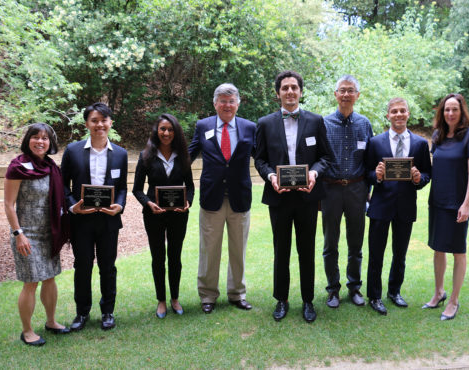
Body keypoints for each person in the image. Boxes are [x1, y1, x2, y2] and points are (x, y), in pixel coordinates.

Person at [255, 70, 332, 322]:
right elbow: (260, 159)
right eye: (285, 88)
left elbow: (325, 158)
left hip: (307, 197)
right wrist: (271, 177)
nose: (290, 91)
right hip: (279, 197)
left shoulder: (315, 121)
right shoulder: (265, 123)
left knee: (307, 249)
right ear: (277, 93)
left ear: (300, 91)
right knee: (282, 250)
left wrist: (314, 175)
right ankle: (281, 299)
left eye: (294, 87)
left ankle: (308, 300)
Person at [188, 83, 256, 314]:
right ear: (215, 103)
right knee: (209, 250)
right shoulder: (203, 126)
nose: (227, 105)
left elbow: (264, 156)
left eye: (231, 101)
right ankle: (208, 295)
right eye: (223, 101)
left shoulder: (249, 127)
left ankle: (237, 293)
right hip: (212, 199)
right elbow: (188, 155)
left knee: (238, 250)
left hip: (240, 199)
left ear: (238, 103)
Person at [61, 102, 128, 331]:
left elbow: (121, 188)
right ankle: (82, 313)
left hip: (109, 220)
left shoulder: (120, 154)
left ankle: (107, 311)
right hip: (81, 220)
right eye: (94, 120)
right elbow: (63, 185)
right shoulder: (73, 150)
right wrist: (72, 207)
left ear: (110, 122)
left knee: (108, 267)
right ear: (87, 123)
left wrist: (119, 205)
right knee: (82, 266)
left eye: (104, 120)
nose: (99, 124)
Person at [4, 123, 70, 346]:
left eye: (45, 138)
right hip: (27, 234)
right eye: (36, 137)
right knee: (31, 282)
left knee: (50, 278)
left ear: (50, 143)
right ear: (27, 140)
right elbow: (9, 204)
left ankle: (51, 321)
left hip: (49, 231)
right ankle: (27, 330)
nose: (40, 141)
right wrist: (18, 234)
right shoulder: (17, 167)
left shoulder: (51, 166)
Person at [365, 98, 431, 315]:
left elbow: (427, 175)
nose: (399, 114)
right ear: (388, 116)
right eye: (394, 111)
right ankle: (374, 296)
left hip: (405, 206)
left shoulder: (420, 144)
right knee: (376, 254)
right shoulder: (375, 143)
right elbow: (367, 174)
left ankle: (394, 292)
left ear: (408, 114)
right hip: (380, 206)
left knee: (399, 254)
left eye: (403, 111)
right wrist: (378, 175)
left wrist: (417, 178)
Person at [423, 93, 469, 321]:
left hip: (458, 204)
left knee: (458, 251)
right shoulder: (437, 135)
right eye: (447, 109)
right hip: (437, 201)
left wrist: (466, 204)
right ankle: (439, 293)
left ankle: (454, 301)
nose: (450, 113)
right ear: (442, 112)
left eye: (454, 109)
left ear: (461, 111)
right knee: (438, 248)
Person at [132, 114, 194, 318]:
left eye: (170, 129)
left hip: (178, 215)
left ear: (175, 132)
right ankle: (161, 300)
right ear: (156, 131)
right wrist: (148, 203)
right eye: (162, 129)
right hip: (154, 215)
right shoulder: (146, 156)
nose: (166, 133)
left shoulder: (183, 156)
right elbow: (137, 190)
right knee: (157, 257)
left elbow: (191, 187)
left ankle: (175, 298)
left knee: (175, 257)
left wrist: (188, 203)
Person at [321, 75, 373, 309]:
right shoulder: (323, 124)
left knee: (356, 243)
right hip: (330, 190)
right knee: (330, 243)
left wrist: (367, 191)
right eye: (342, 90)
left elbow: (371, 160)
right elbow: (317, 160)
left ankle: (354, 287)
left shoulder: (365, 124)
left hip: (356, 189)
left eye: (351, 90)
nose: (346, 94)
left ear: (357, 96)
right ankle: (333, 289)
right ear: (335, 94)